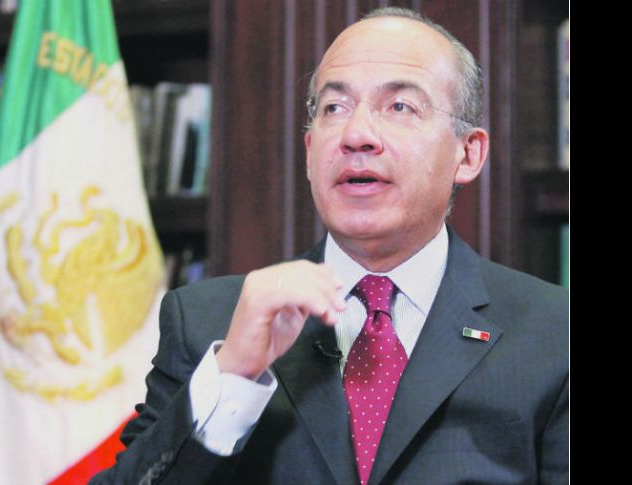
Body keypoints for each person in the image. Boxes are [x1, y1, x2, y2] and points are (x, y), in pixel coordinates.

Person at [90, 7, 568, 485]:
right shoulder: (207, 324)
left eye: (400, 107)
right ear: (308, 152)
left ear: (468, 153)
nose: (356, 135)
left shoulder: (552, 334)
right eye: (334, 108)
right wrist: (233, 374)